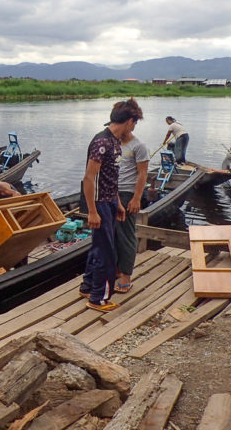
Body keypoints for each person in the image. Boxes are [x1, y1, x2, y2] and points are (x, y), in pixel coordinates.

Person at [79, 99, 142, 312]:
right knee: (107, 252)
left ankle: (87, 286)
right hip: (98, 203)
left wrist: (118, 202)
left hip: (110, 200)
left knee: (100, 246)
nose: (133, 128)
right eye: (134, 124)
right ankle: (98, 298)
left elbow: (110, 177)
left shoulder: (116, 142)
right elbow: (89, 179)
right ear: (129, 121)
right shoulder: (102, 143)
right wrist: (93, 211)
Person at [114, 116, 149, 294]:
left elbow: (143, 174)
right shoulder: (113, 143)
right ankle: (115, 271)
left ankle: (125, 277)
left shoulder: (138, 146)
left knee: (126, 235)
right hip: (112, 194)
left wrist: (136, 198)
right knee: (112, 235)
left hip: (128, 194)